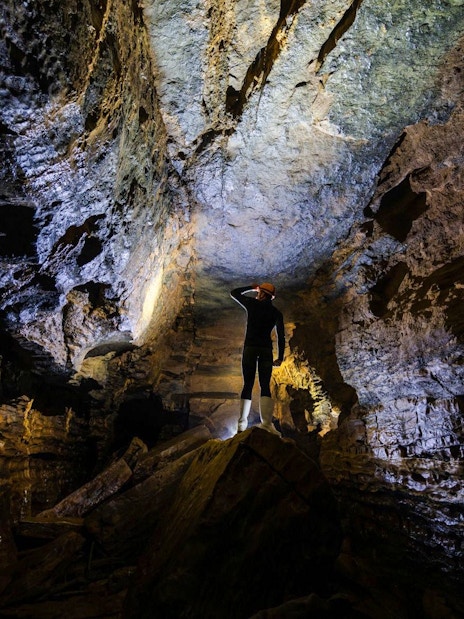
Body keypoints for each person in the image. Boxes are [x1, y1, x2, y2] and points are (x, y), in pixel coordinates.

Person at [230, 283, 285, 435]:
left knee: (247, 384)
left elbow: (234, 292)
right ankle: (266, 424)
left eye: (259, 292)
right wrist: (280, 357)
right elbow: (281, 336)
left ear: (261, 294)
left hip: (251, 348)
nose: (256, 294)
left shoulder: (252, 304)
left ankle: (241, 425)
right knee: (265, 385)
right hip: (266, 350)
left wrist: (250, 287)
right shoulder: (276, 313)